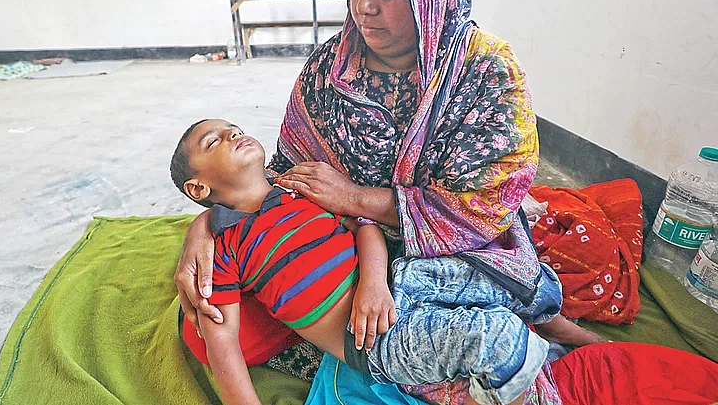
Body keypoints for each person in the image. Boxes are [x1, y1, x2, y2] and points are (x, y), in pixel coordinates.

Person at [174, 0, 600, 404]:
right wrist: (205, 226)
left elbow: (483, 207)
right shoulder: (329, 69)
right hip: (348, 258)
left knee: (481, 307)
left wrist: (357, 199)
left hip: (452, 246)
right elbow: (282, 176)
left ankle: (553, 330)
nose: (364, 6)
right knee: (208, 326)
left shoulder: (487, 69)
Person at [170, 118, 567, 405]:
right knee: (493, 337)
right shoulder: (219, 248)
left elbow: (365, 227)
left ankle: (567, 333)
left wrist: (373, 285)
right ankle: (531, 378)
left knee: (498, 272)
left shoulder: (298, 188)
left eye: (233, 128)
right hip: (374, 339)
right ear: (198, 187)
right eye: (214, 141)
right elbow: (222, 342)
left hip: (399, 282)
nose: (233, 134)